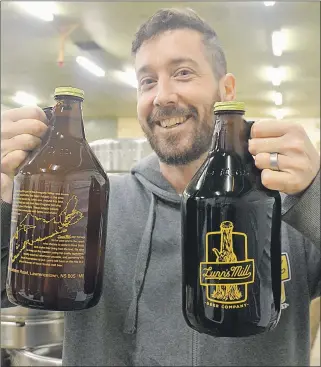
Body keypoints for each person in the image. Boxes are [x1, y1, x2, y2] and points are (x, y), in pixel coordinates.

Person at [1, 8, 320, 366]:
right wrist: (3, 203)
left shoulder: (284, 205)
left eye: (182, 73)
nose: (162, 96)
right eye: (147, 81)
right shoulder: (93, 206)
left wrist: (316, 192)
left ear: (226, 89)